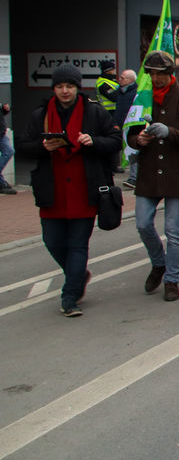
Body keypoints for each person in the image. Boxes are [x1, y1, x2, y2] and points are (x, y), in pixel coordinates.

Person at [18, 64, 122, 316]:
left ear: (77, 88)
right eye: (60, 86)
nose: (65, 91)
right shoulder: (40, 114)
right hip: (51, 191)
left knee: (77, 245)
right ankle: (78, 275)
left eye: (70, 86)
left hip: (84, 189)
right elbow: (23, 145)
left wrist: (93, 141)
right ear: (53, 88)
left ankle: (70, 296)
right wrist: (44, 147)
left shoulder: (94, 112)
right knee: (52, 241)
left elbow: (115, 141)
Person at [127, 50, 179, 302]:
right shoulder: (143, 98)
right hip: (149, 172)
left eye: (160, 74)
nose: (156, 78)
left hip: (177, 172)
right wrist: (139, 139)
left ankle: (171, 279)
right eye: (152, 74)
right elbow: (130, 136)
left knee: (173, 229)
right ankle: (159, 262)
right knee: (142, 223)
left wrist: (168, 132)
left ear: (171, 74)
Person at [0, 101, 16, 195]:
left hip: (2, 134)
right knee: (8, 151)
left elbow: (2, 111)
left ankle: (2, 184)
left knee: (9, 151)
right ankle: (2, 184)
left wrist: (6, 110)